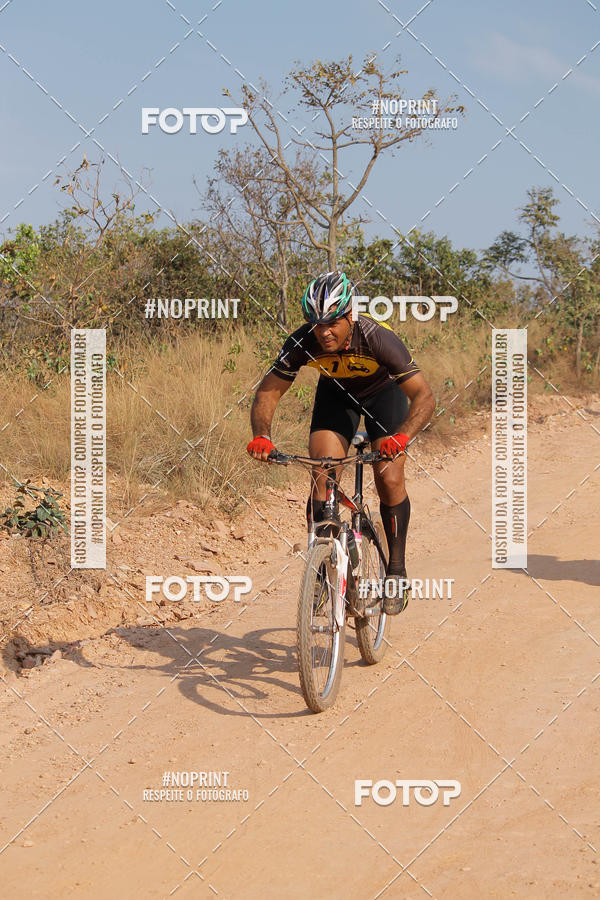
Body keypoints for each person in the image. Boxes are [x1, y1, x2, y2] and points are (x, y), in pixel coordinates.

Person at [246, 271, 435, 614]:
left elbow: (424, 396)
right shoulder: (303, 341)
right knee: (322, 473)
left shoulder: (377, 338)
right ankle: (321, 569)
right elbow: (268, 392)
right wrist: (262, 435)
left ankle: (396, 570)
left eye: (332, 322)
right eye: (316, 324)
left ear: (350, 315)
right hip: (336, 395)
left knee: (389, 476)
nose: (324, 332)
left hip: (383, 395)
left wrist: (401, 436)